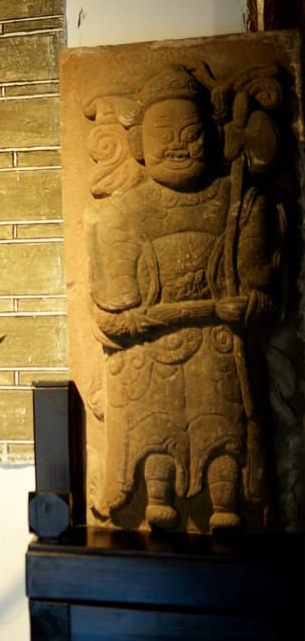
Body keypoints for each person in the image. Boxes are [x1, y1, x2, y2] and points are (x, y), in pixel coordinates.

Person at [85, 65, 276, 532]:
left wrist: (249, 306)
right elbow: (114, 315)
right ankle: (157, 495)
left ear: (216, 139)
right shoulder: (120, 215)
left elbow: (267, 296)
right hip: (150, 355)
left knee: (223, 426)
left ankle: (226, 501)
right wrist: (144, 320)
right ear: (137, 146)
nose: (177, 146)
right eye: (163, 135)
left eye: (191, 135)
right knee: (154, 424)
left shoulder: (242, 204)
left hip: (219, 348)